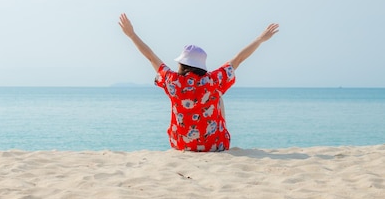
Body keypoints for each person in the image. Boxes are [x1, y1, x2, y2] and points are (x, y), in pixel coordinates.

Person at [119, 13, 279, 152]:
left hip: (181, 144)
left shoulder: (173, 81)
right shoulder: (213, 80)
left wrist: (132, 35)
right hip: (215, 145)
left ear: (182, 64)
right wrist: (260, 39)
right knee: (218, 94)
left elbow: (151, 57)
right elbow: (239, 58)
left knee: (199, 96)